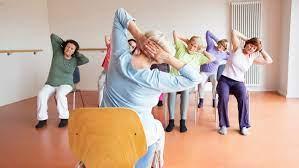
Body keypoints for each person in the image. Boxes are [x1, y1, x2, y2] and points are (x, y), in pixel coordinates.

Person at [101, 8, 204, 167]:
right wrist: (169, 59)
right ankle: (158, 161)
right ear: (158, 59)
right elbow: (194, 79)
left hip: (105, 136)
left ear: (139, 46)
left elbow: (119, 13)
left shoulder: (118, 57)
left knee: (155, 127)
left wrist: (139, 36)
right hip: (136, 141)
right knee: (155, 129)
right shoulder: (156, 79)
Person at [217, 29, 273, 136]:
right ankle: (223, 125)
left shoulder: (252, 58)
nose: (251, 48)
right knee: (223, 97)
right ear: (247, 44)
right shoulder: (236, 48)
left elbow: (269, 60)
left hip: (239, 83)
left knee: (244, 97)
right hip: (225, 80)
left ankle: (243, 126)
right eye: (250, 45)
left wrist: (261, 49)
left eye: (254, 48)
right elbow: (234, 31)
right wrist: (249, 39)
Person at [35, 33, 89, 129]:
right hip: (51, 83)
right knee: (41, 94)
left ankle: (64, 118)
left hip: (66, 84)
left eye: (72, 49)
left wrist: (76, 53)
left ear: (74, 51)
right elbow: (53, 36)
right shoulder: (57, 52)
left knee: (60, 94)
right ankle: (42, 119)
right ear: (64, 47)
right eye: (68, 47)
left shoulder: (75, 60)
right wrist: (65, 43)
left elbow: (86, 60)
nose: (69, 49)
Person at [165, 31, 214, 133]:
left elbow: (212, 58)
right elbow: (175, 33)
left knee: (185, 91)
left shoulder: (198, 56)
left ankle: (183, 121)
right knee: (172, 92)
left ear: (198, 48)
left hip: (187, 82)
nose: (192, 47)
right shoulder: (181, 48)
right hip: (174, 79)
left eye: (195, 46)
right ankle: (171, 121)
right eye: (191, 44)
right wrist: (187, 40)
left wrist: (202, 51)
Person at [98, 36, 137, 106]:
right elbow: (107, 38)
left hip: (116, 76)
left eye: (133, 47)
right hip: (106, 72)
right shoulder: (114, 48)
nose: (130, 47)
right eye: (130, 44)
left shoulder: (130, 57)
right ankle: (100, 105)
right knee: (101, 85)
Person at [198, 30, 230, 108]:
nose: (221, 47)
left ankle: (214, 100)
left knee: (215, 83)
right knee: (201, 83)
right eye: (220, 44)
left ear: (225, 48)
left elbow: (233, 56)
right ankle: (201, 100)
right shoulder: (211, 46)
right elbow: (208, 33)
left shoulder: (224, 55)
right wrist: (218, 41)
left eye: (223, 46)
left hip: (213, 73)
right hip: (204, 71)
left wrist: (227, 51)